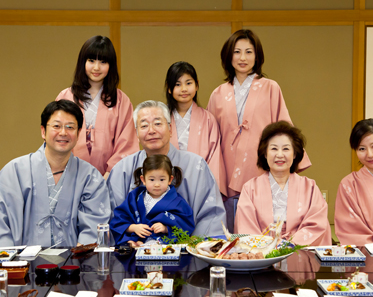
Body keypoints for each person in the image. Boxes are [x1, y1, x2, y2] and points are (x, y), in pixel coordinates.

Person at [207, 29, 311, 231]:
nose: (243, 58)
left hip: (259, 168)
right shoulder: (218, 94)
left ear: (257, 56)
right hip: (226, 171)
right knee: (228, 237)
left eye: (249, 52)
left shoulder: (271, 88)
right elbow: (211, 137)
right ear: (229, 56)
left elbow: (283, 126)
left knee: (258, 237)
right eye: (237, 52)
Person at [107, 100, 226, 237]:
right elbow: (112, 218)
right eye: (144, 125)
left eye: (158, 123)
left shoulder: (196, 166)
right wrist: (128, 242)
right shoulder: (122, 169)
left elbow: (211, 217)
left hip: (187, 252)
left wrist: (192, 249)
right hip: (133, 251)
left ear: (170, 129)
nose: (151, 131)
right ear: (137, 134)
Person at [0, 100, 111, 247]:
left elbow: (94, 226)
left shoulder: (91, 178)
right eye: (56, 126)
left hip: (73, 265)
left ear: (78, 133)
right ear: (43, 131)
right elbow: (2, 223)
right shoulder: (14, 172)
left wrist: (78, 261)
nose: (63, 132)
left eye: (70, 127)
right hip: (21, 264)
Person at [235, 121, 331, 246]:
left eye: (286, 149)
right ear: (265, 153)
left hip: (298, 251)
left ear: (295, 153)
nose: (280, 155)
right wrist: (267, 247)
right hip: (262, 254)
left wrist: (287, 245)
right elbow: (246, 227)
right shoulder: (250, 188)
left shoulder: (310, 187)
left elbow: (317, 224)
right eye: (274, 148)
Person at [56, 35, 138, 179]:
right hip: (69, 175)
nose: (96, 67)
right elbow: (56, 136)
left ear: (111, 65)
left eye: (103, 62)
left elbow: (127, 142)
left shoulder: (121, 100)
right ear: (83, 62)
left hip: (109, 178)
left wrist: (108, 175)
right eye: (91, 60)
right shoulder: (66, 96)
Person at [165, 61, 227, 196]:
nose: (184, 89)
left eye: (188, 83)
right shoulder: (162, 119)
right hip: (166, 184)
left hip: (199, 185)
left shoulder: (209, 119)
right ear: (169, 89)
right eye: (177, 84)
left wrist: (209, 188)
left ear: (197, 85)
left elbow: (214, 157)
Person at [110, 154, 195, 247]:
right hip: (137, 238)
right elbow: (119, 220)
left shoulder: (177, 202)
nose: (157, 184)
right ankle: (134, 244)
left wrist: (166, 228)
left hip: (161, 242)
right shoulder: (134, 197)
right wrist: (134, 228)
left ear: (170, 180)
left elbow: (186, 224)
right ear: (143, 180)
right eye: (152, 179)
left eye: (162, 179)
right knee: (126, 244)